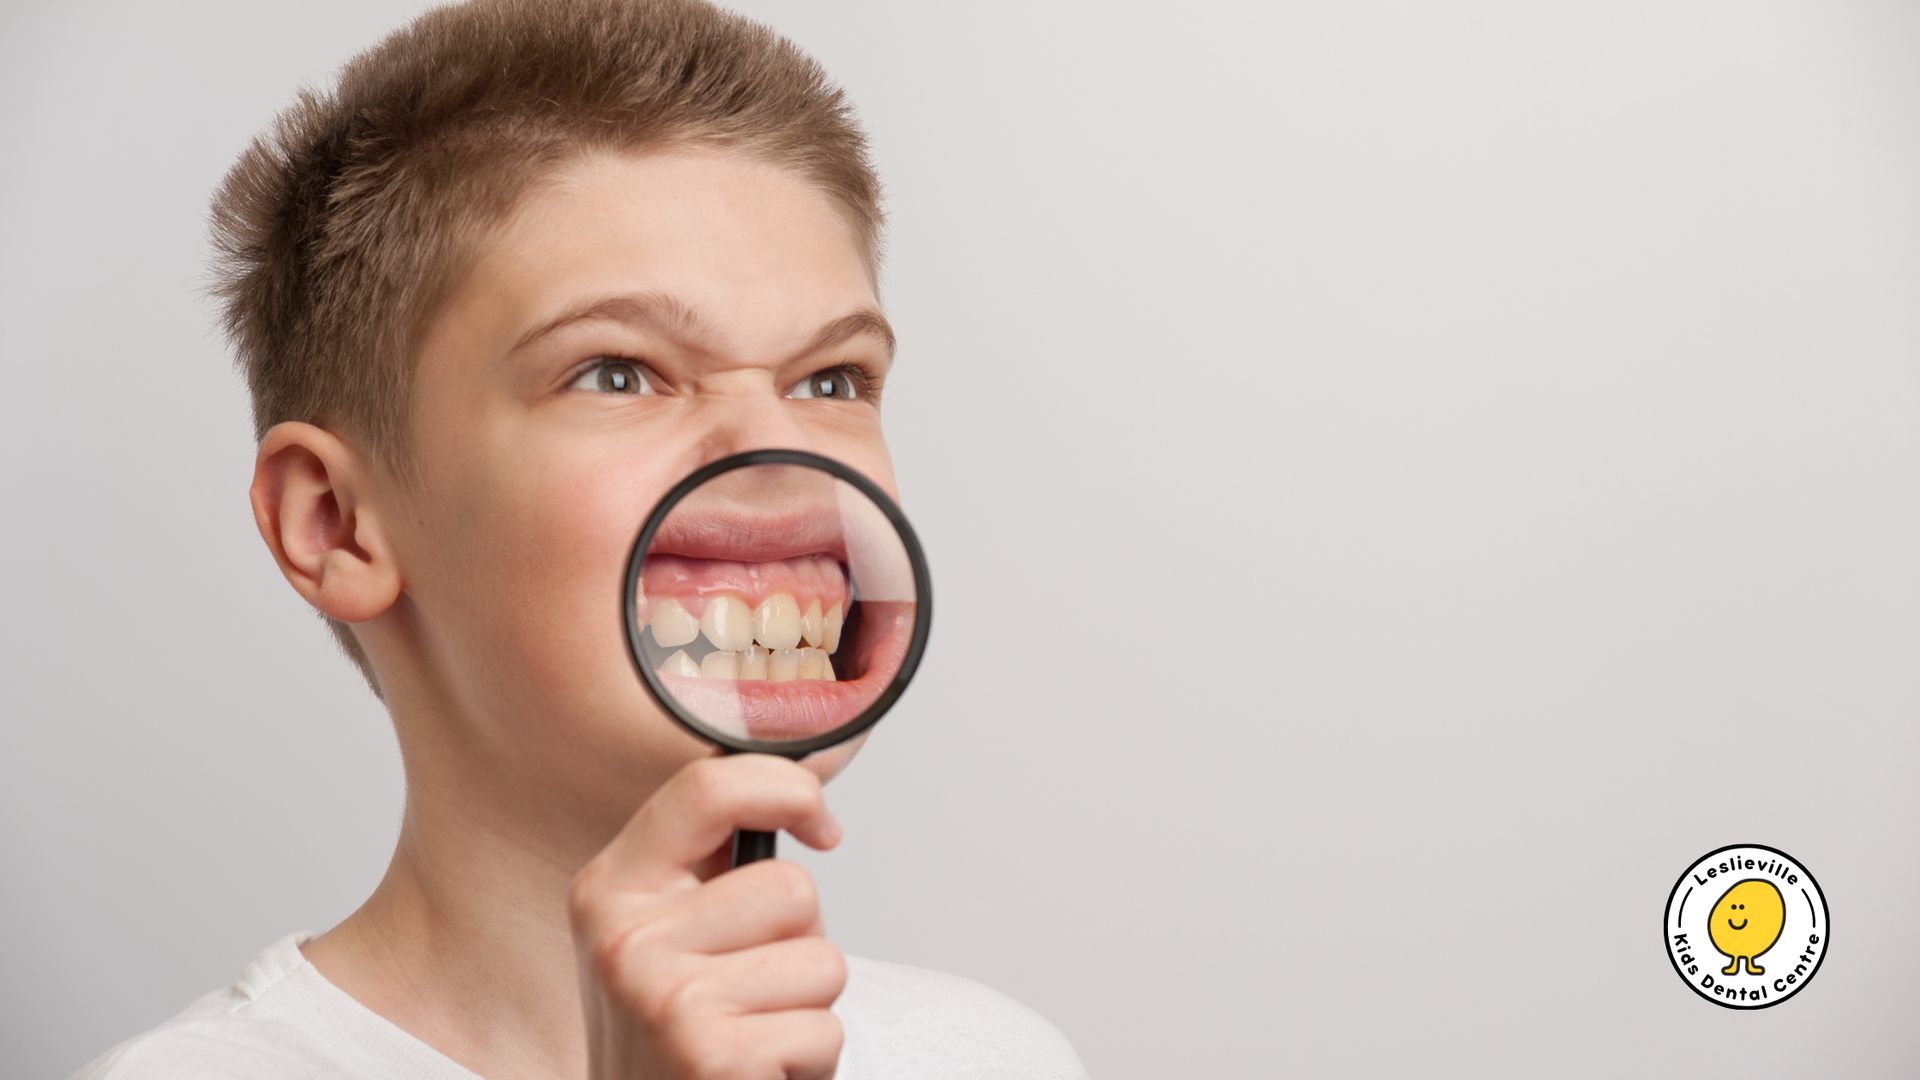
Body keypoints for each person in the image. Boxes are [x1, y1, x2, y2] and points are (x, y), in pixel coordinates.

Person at [72, 1, 1084, 1077]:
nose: (780, 450)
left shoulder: (997, 1058)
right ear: (335, 524)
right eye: (616, 372)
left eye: (831, 379)